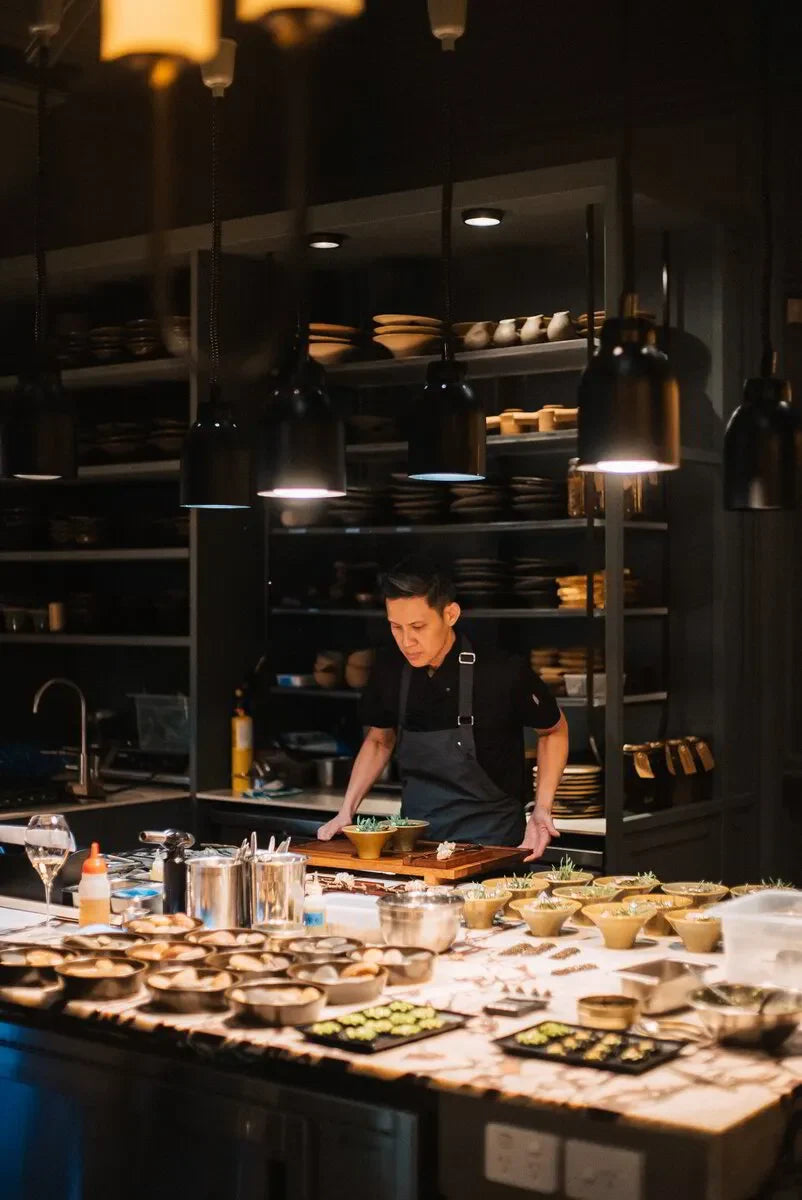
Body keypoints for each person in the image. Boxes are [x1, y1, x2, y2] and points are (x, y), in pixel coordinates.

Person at [317, 557, 569, 860]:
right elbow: (379, 740)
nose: (406, 641)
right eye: (396, 627)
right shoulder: (390, 670)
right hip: (415, 847)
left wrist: (542, 808)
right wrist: (347, 810)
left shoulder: (501, 671)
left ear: (450, 614)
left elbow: (553, 730)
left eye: (418, 627)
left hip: (492, 848)